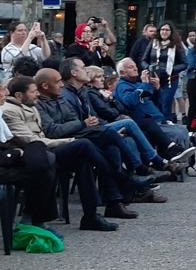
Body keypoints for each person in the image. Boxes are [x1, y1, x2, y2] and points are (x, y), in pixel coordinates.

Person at [3, 76, 120, 231]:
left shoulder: (31, 105)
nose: (37, 94)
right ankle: (120, 177)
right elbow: (31, 141)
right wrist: (68, 141)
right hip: (35, 154)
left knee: (83, 160)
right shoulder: (10, 112)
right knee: (84, 144)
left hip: (47, 147)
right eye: (33, 92)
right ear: (19, 95)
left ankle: (91, 217)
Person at [32, 68, 146, 219]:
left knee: (110, 147)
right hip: (58, 144)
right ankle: (129, 175)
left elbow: (73, 120)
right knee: (105, 136)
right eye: (57, 82)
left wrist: (79, 124)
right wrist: (81, 124)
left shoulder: (61, 98)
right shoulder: (39, 104)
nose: (61, 85)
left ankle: (114, 203)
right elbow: (53, 131)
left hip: (75, 136)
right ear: (45, 86)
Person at [0, 81, 60, 236]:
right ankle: (34, 220)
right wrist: (16, 153)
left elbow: (8, 140)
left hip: (11, 155)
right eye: (2, 91)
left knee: (44, 158)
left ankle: (34, 219)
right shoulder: (8, 110)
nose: (6, 94)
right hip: (4, 164)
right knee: (44, 168)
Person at [113, 58, 192, 157]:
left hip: (158, 121)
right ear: (122, 72)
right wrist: (144, 85)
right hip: (146, 123)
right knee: (177, 133)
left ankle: (183, 163)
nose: (135, 69)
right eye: (131, 67)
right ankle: (173, 160)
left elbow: (160, 104)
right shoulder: (122, 86)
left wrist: (157, 88)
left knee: (183, 130)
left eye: (135, 66)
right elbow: (130, 101)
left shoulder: (138, 84)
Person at [142, 21, 187, 122]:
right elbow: (144, 60)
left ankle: (165, 125)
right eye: (162, 29)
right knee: (154, 102)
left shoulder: (177, 44)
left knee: (165, 103)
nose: (164, 32)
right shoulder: (153, 43)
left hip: (170, 79)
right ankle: (156, 125)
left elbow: (184, 63)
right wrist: (148, 67)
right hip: (153, 78)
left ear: (171, 32)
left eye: (167, 30)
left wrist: (171, 69)